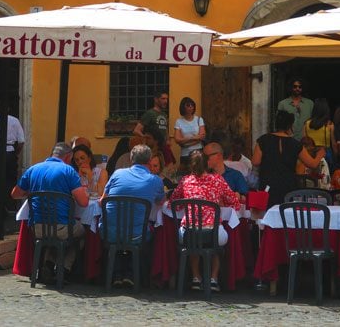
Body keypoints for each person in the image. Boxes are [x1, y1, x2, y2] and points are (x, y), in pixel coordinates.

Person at [10, 142, 89, 283]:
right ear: (68, 157)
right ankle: (64, 268)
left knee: (52, 236)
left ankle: (48, 264)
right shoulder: (68, 171)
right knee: (82, 233)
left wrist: (32, 193)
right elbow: (83, 202)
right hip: (62, 227)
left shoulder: (33, 169)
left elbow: (15, 194)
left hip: (37, 228)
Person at [170, 150, 241, 292]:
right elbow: (234, 201)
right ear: (207, 164)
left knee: (194, 242)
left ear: (191, 165)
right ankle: (213, 278)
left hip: (189, 233)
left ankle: (196, 277)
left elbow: (174, 201)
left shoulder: (185, 181)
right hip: (212, 232)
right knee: (215, 242)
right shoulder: (218, 180)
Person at [102, 144, 165, 287]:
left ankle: (117, 273)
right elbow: (161, 201)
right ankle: (133, 273)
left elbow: (102, 201)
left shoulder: (117, 174)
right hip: (138, 235)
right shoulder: (155, 180)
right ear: (149, 161)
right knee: (148, 231)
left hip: (109, 232)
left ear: (131, 159)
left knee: (119, 229)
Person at [253, 110, 325, 207]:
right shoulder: (295, 144)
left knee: (268, 215)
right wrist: (320, 154)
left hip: (268, 185)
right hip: (288, 186)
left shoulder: (263, 140)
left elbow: (255, 161)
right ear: (290, 126)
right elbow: (312, 164)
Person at [133, 91, 175, 166]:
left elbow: (165, 130)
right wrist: (145, 138)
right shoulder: (150, 114)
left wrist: (168, 140)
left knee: (169, 166)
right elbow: (136, 130)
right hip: (154, 149)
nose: (165, 101)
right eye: (163, 99)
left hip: (164, 147)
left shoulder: (164, 114)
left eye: (166, 99)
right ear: (156, 99)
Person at [303, 98, 338, 169]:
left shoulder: (306, 124)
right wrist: (337, 155)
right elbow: (334, 144)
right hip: (325, 154)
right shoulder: (329, 124)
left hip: (310, 154)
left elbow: (304, 141)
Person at [173, 96, 206, 167]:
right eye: (188, 105)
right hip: (185, 154)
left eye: (192, 105)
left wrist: (184, 143)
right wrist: (194, 138)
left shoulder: (199, 119)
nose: (191, 107)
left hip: (198, 152)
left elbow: (201, 136)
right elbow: (177, 139)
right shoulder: (179, 121)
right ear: (183, 107)